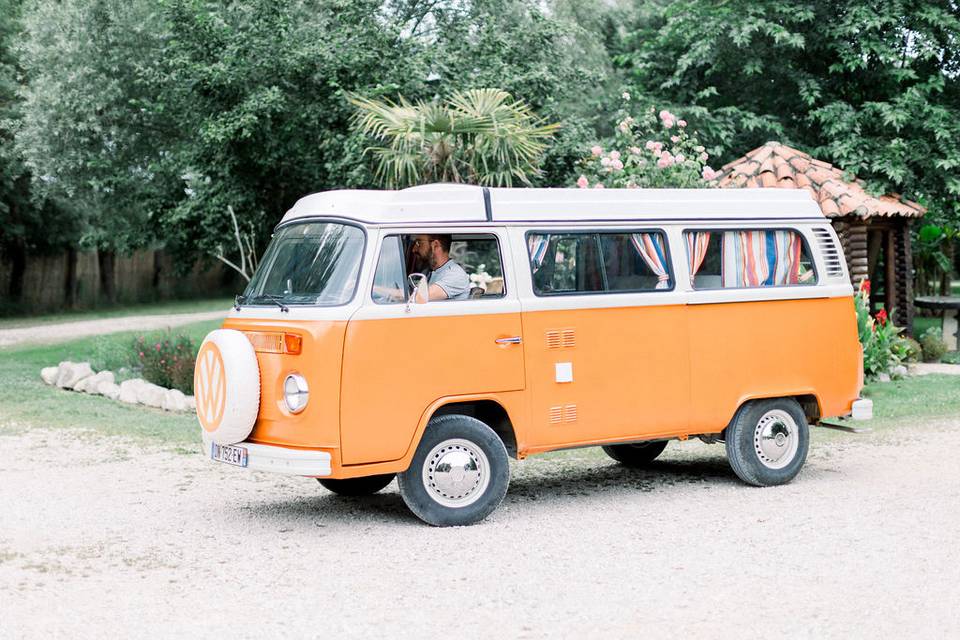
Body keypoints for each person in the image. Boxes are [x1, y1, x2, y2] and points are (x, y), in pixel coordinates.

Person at [410, 234, 470, 301]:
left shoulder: (456, 275)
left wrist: (398, 294)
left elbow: (420, 297)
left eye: (418, 243)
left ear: (435, 244)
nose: (414, 249)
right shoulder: (428, 272)